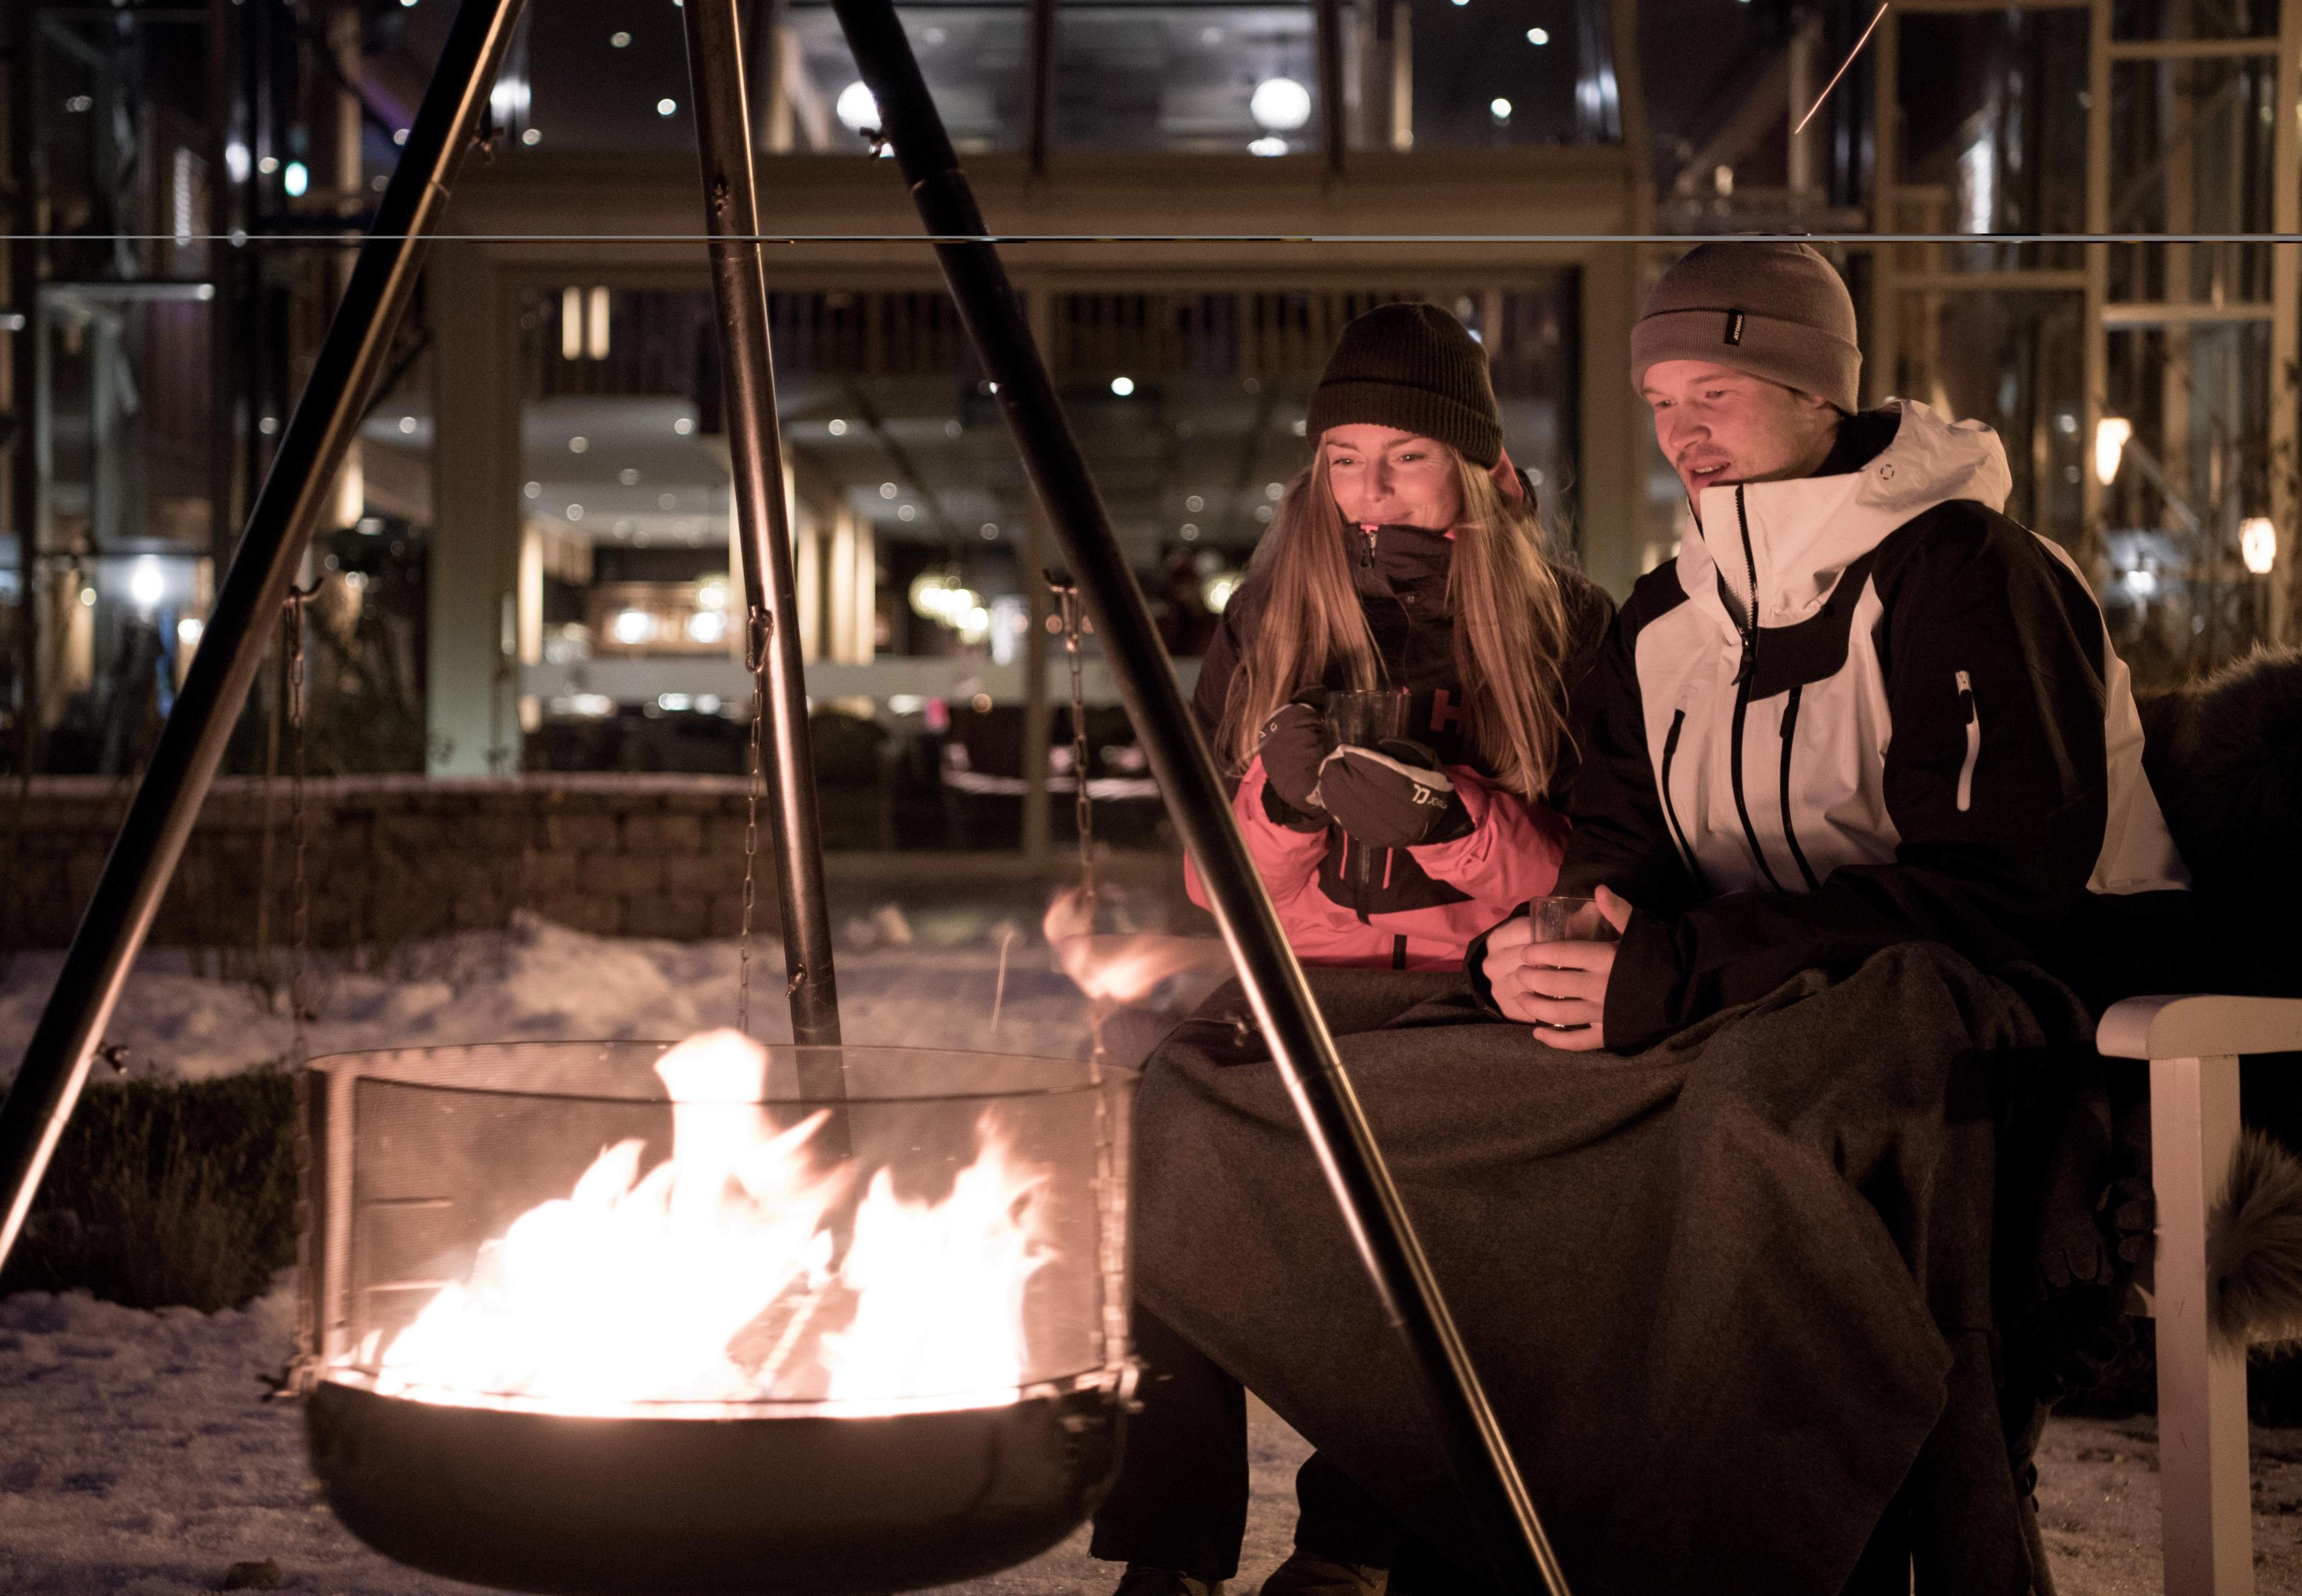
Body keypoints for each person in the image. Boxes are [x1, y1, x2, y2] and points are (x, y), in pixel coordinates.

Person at [1095, 302, 1611, 1596]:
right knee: (1165, 1128)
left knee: (1419, 1232)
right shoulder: (1269, 617)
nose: (1369, 487)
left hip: (1472, 995)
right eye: (1343, 458)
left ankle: (1348, 1544)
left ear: (1482, 470)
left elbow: (1592, 871)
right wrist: (1276, 810)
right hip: (1297, 986)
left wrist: (1453, 822)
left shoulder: (1573, 628)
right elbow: (1216, 892)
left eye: (1407, 456)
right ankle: (1168, 1549)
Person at [1477, 240, 2186, 1052]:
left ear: (1818, 393)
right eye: (1660, 402)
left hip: (2041, 1027)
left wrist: (1688, 971)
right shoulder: (1662, 617)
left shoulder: (1963, 570)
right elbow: (1621, 855)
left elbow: (1988, 897)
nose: (1683, 433)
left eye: (1714, 390)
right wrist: (1554, 957)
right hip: (1759, 1015)